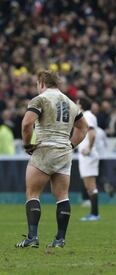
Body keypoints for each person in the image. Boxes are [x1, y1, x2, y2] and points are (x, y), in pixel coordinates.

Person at [15, 70, 88, 248]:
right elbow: (83, 127)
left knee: (33, 193)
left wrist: (26, 144)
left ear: (41, 82)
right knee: (62, 196)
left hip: (45, 148)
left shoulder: (40, 99)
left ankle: (32, 238)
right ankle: (59, 239)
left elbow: (26, 124)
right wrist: (70, 145)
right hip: (64, 151)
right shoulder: (71, 103)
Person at [77, 97, 101, 221]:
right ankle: (94, 213)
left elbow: (92, 134)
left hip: (88, 155)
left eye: (77, 103)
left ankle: (95, 214)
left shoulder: (88, 115)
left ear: (81, 105)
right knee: (89, 186)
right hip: (86, 155)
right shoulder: (86, 115)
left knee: (91, 186)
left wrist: (89, 148)